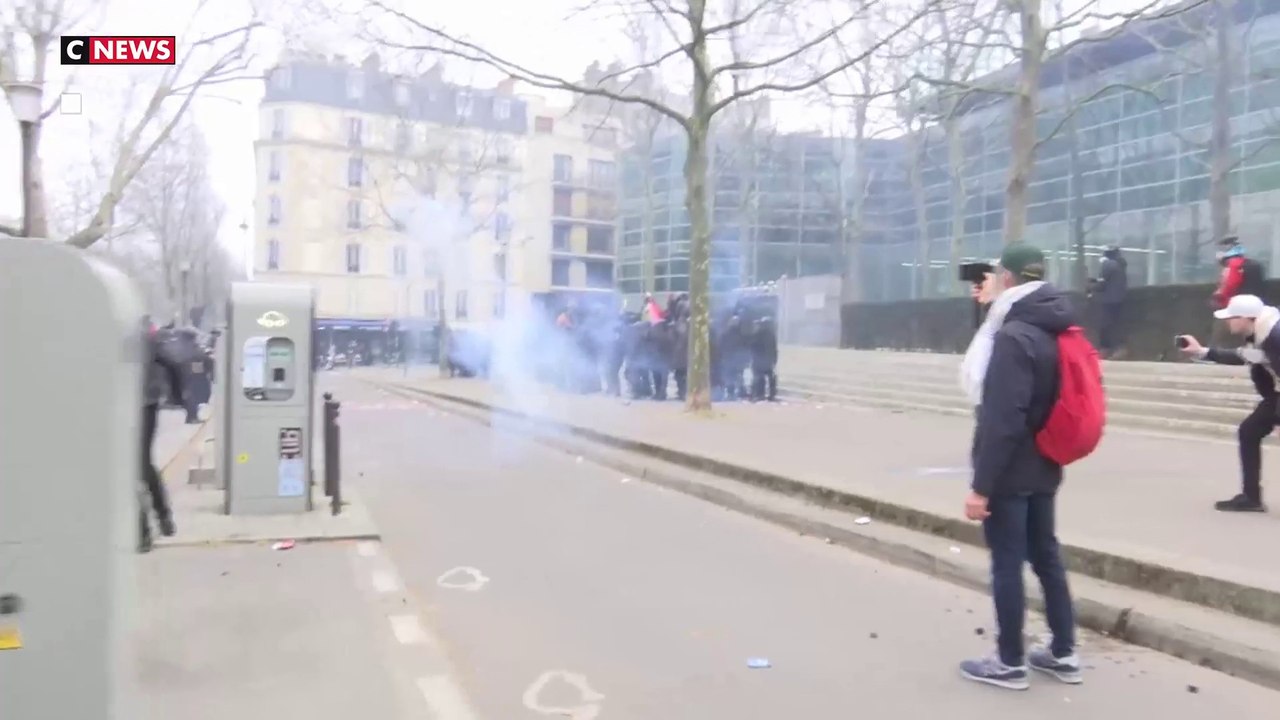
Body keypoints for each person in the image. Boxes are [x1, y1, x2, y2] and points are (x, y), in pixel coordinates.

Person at [958, 243, 1081, 691]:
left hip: (1011, 469)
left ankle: (1010, 661)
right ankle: (1063, 652)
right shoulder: (1050, 325)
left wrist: (980, 487)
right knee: (1046, 556)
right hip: (1045, 462)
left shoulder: (1012, 337)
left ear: (1006, 278)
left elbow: (1002, 419)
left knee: (1007, 563)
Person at [1178, 293, 1276, 512]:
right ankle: (1251, 497)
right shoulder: (1259, 332)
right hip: (1275, 395)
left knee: (1249, 431)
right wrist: (1202, 352)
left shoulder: (1274, 336)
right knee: (1249, 432)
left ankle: (1251, 498)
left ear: (1246, 318)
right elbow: (1246, 356)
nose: (1228, 321)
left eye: (1232, 317)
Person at [141, 325, 187, 553]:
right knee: (140, 465)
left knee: (137, 466)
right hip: (144, 405)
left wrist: (177, 396)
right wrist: (176, 396)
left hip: (140, 405)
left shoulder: (141, 336)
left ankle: (146, 530)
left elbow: (173, 364)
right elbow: (173, 364)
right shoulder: (145, 337)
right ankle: (162, 518)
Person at [1092, 246, 1128, 359]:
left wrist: (1091, 286)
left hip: (1108, 300)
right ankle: (1120, 349)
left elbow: (1102, 284)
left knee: (1105, 325)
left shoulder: (1107, 265)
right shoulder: (1120, 265)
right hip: (1120, 299)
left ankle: (1105, 349)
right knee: (1116, 325)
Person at [750, 316, 779, 401]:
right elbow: (754, 346)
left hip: (764, 359)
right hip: (761, 359)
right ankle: (762, 394)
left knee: (765, 378)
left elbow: (773, 348)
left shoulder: (762, 334)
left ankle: (765, 394)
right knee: (762, 378)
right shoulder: (761, 334)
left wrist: (774, 358)